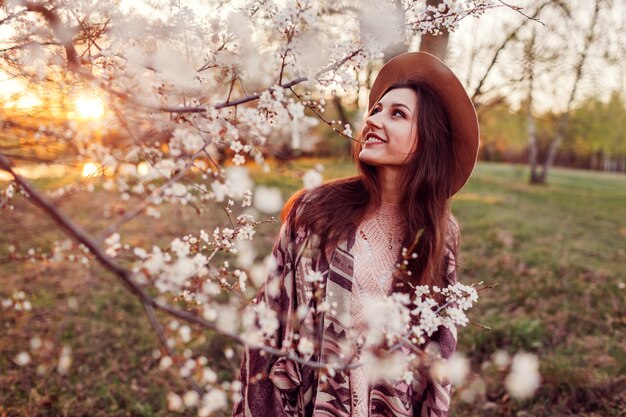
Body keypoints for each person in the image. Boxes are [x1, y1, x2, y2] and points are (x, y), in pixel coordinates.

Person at [233, 52, 480, 417]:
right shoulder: (316, 212)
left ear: (428, 141)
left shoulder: (439, 236)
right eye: (376, 110)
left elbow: (434, 350)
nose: (374, 120)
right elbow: (270, 322)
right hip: (308, 400)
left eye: (397, 114)